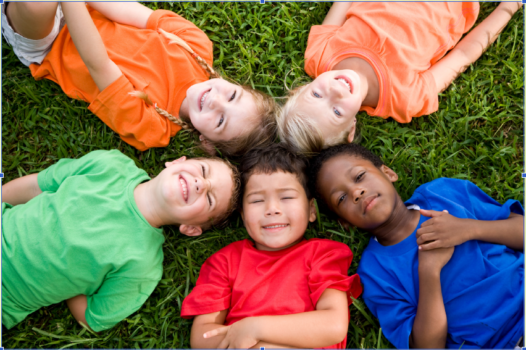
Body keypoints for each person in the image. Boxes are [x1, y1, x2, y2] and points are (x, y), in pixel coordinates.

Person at [310, 143, 524, 349]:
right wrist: (429, 271)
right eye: (342, 198)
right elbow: (428, 347)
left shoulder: (443, 194)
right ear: (345, 223)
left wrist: (468, 229)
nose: (356, 192)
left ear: (388, 173)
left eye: (359, 177)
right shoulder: (374, 273)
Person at [2, 149, 241, 332]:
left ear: (190, 229)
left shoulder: (143, 266)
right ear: (177, 161)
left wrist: (69, 278)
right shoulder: (109, 164)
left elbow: (93, 318)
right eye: (202, 169)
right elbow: (38, 185)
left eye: (210, 199)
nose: (202, 183)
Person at [1, 2, 277, 157]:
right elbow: (127, 10)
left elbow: (97, 64)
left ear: (206, 141)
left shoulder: (152, 129)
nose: (216, 101)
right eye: (232, 96)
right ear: (237, 85)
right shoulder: (196, 46)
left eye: (220, 120)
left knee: (35, 4)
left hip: (50, 42)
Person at [181, 144, 362, 349]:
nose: (272, 209)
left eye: (286, 197)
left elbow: (333, 326)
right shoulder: (224, 262)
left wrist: (255, 329)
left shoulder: (324, 254)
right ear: (243, 215)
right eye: (257, 200)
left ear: (312, 210)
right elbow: (202, 338)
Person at [278, 2, 522, 154]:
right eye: (337, 112)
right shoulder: (404, 99)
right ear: (351, 129)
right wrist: (507, 8)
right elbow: (462, 55)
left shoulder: (318, 56)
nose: (336, 92)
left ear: (302, 87)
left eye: (316, 94)